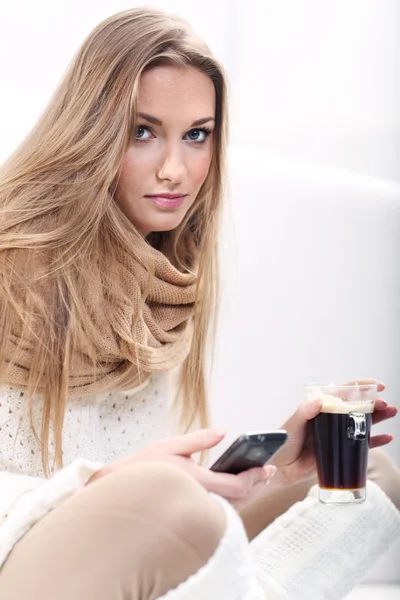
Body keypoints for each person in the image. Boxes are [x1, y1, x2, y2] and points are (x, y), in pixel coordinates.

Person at [0, 7, 399, 600]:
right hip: (21, 547)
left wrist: (278, 463)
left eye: (196, 135)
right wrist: (111, 482)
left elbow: (140, 480)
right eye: (142, 131)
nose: (174, 169)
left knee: (367, 473)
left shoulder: (163, 279)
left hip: (122, 525)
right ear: (91, 131)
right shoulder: (13, 259)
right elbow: (130, 490)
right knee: (172, 503)